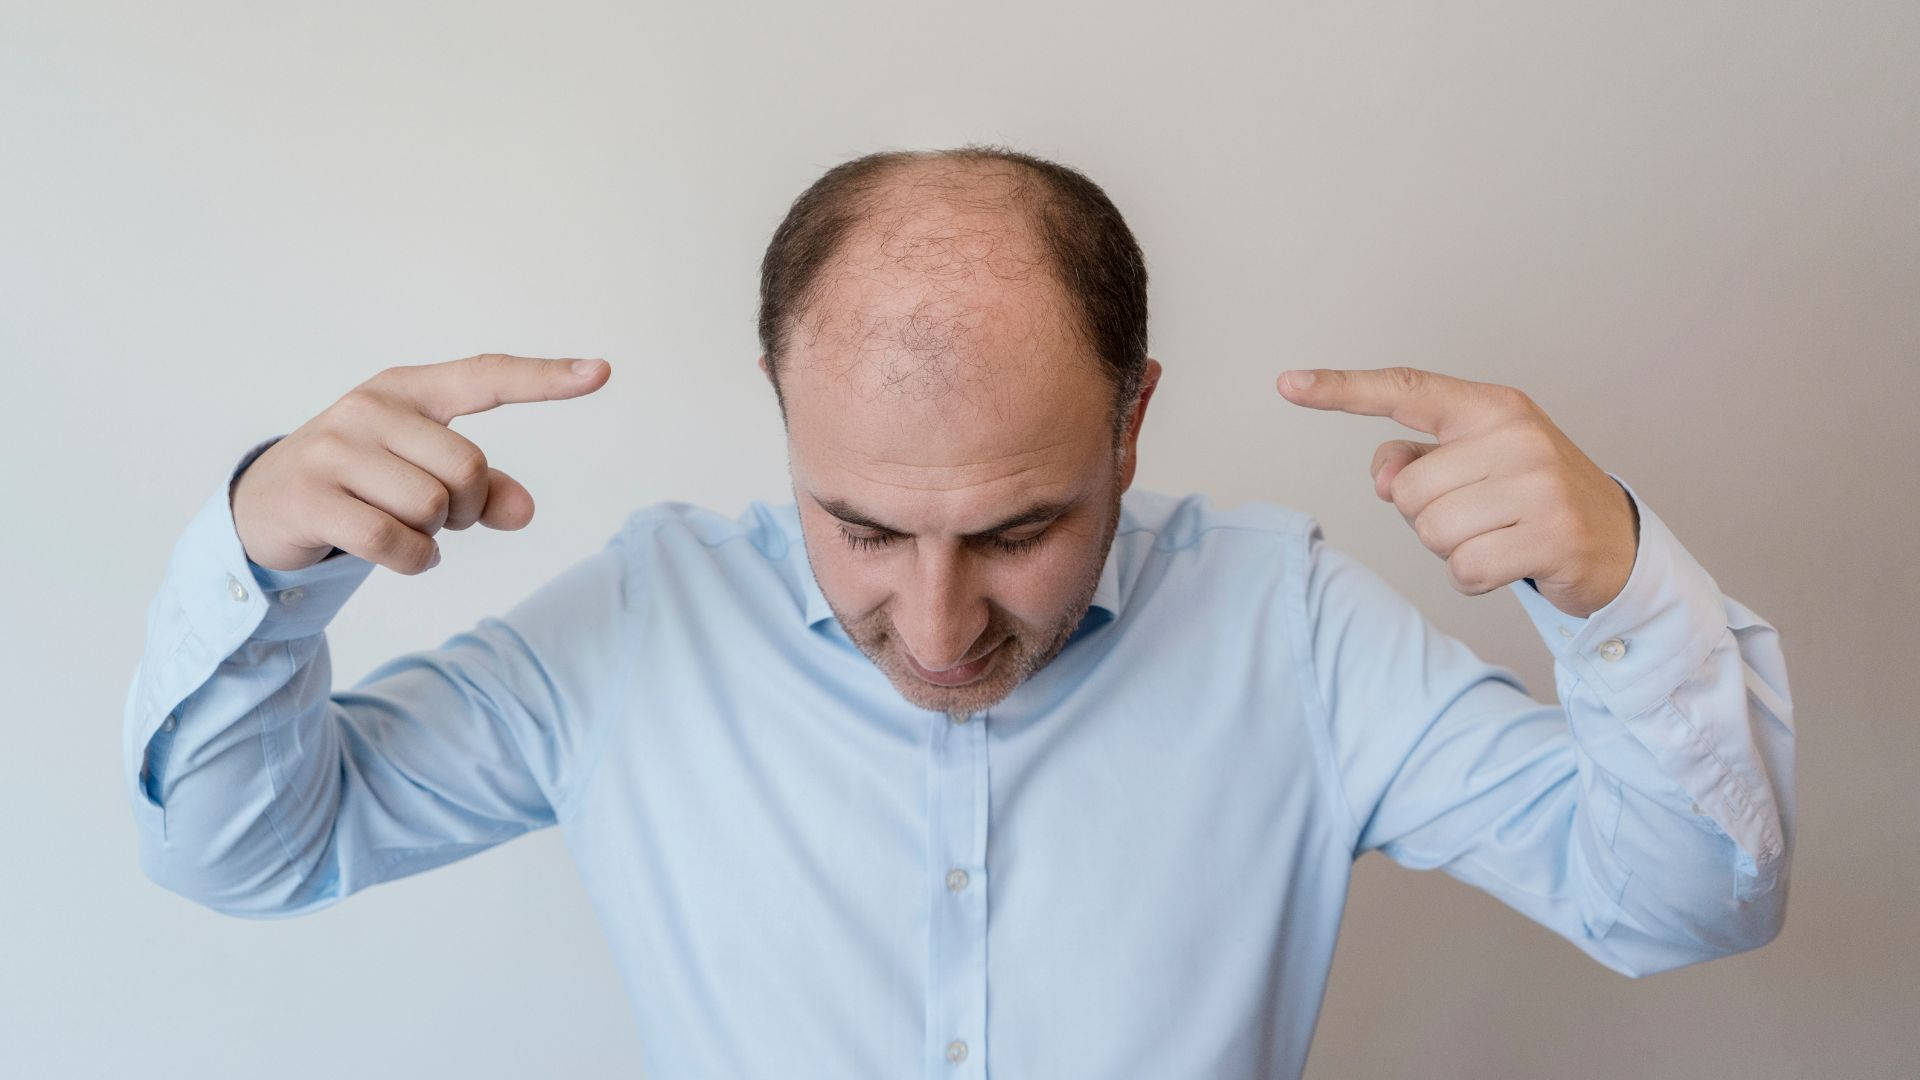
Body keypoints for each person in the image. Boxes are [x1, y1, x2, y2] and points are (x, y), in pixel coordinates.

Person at [123, 145, 1795, 1079]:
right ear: (782, 415)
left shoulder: (1288, 626)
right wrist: (266, 569)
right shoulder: (641, 626)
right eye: (858, 526)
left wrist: (1621, 595)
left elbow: (1681, 904)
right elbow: (246, 851)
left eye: (1019, 531)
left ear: (1132, 423)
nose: (934, 626)